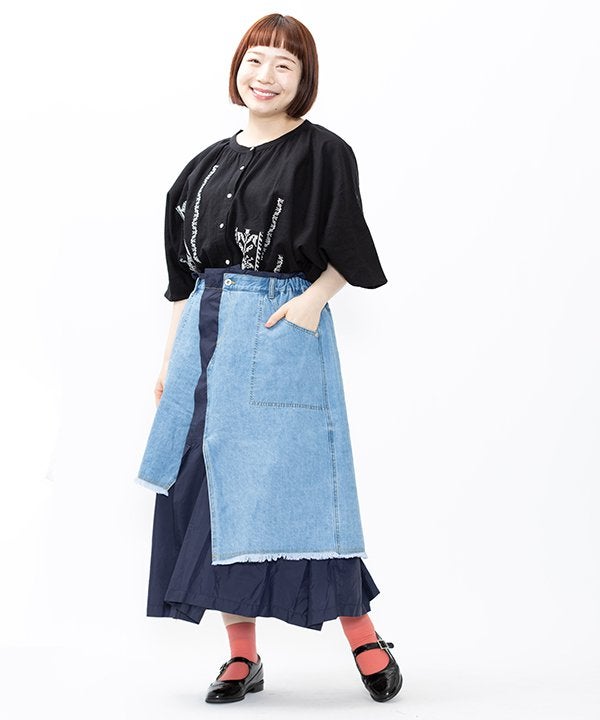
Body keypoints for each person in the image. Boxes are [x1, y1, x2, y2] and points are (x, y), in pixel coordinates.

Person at [134, 12, 403, 704]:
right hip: (202, 339)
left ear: (303, 79)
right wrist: (168, 362)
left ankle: (364, 635)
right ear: (237, 68)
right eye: (255, 59)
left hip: (280, 327)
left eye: (285, 64)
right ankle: (241, 655)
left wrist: (314, 300)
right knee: (212, 494)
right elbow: (182, 278)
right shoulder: (203, 166)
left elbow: (350, 244)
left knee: (305, 489)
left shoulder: (323, 152)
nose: (266, 75)